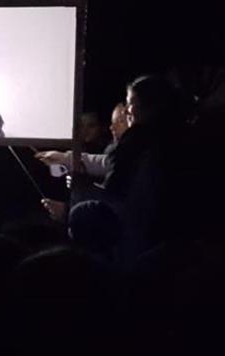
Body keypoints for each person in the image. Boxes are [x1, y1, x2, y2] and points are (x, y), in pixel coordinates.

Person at [40, 75, 195, 266]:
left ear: (151, 107)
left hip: (135, 253)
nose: (127, 110)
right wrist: (67, 159)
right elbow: (106, 164)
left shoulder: (148, 148)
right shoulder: (155, 142)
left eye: (132, 103)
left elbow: (129, 207)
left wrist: (79, 195)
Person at [35, 102, 128, 179]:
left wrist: (66, 158)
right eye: (82, 126)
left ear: (102, 127)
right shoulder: (76, 148)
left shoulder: (113, 151)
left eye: (91, 126)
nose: (85, 130)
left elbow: (105, 164)